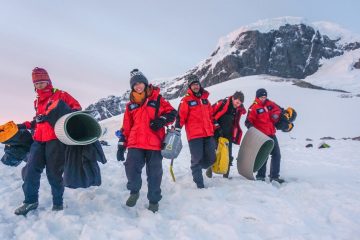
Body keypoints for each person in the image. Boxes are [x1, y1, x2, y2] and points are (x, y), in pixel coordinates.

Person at [15, 67, 81, 215]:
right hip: (38, 140)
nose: (40, 85)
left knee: (54, 173)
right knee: (30, 170)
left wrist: (53, 115)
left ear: (48, 81)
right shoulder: (37, 101)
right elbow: (37, 120)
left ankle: (58, 203)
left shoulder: (61, 95)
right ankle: (30, 201)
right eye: (37, 83)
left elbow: (76, 109)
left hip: (55, 140)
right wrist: (22, 125)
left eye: (42, 82)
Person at [120, 69, 176, 213]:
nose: (138, 86)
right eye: (135, 84)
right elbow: (126, 126)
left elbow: (172, 113)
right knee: (131, 167)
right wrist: (122, 145)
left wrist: (161, 120)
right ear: (132, 87)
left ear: (145, 83)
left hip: (154, 143)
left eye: (140, 83)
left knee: (155, 174)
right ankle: (134, 191)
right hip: (135, 142)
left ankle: (154, 201)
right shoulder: (130, 105)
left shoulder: (157, 99)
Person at [174, 74, 216, 189]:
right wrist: (177, 129)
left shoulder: (205, 100)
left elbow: (211, 115)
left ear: (199, 85)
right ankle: (199, 183)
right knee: (197, 158)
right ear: (190, 87)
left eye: (197, 84)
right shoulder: (186, 100)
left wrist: (215, 125)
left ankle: (198, 168)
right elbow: (180, 117)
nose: (195, 86)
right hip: (194, 135)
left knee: (212, 157)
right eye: (193, 85)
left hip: (208, 133)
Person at [245, 88, 284, 184]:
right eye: (262, 97)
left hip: (271, 134)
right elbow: (248, 122)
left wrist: (276, 115)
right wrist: (253, 130)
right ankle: (260, 176)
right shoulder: (253, 107)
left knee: (276, 155)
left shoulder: (269, 103)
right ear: (257, 97)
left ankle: (274, 177)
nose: (263, 98)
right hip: (261, 136)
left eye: (265, 97)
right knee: (264, 156)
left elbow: (279, 109)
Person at [206, 91, 247, 178]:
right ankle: (209, 170)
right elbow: (210, 114)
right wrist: (217, 127)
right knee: (214, 152)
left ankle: (226, 175)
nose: (237, 105)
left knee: (228, 153)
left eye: (239, 103)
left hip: (229, 133)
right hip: (217, 132)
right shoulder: (223, 103)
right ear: (233, 98)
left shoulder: (238, 108)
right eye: (237, 102)